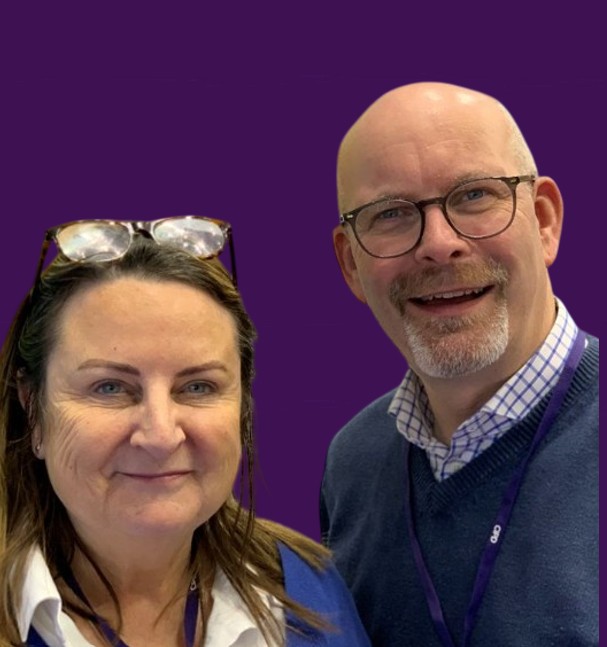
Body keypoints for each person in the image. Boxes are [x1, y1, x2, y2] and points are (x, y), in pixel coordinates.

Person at [0, 216, 371, 647]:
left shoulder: (312, 593)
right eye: (110, 387)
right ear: (33, 410)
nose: (161, 436)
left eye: (198, 387)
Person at [320, 82, 599, 647]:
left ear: (543, 221)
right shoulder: (351, 464)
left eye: (474, 195)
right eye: (391, 214)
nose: (439, 243)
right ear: (351, 265)